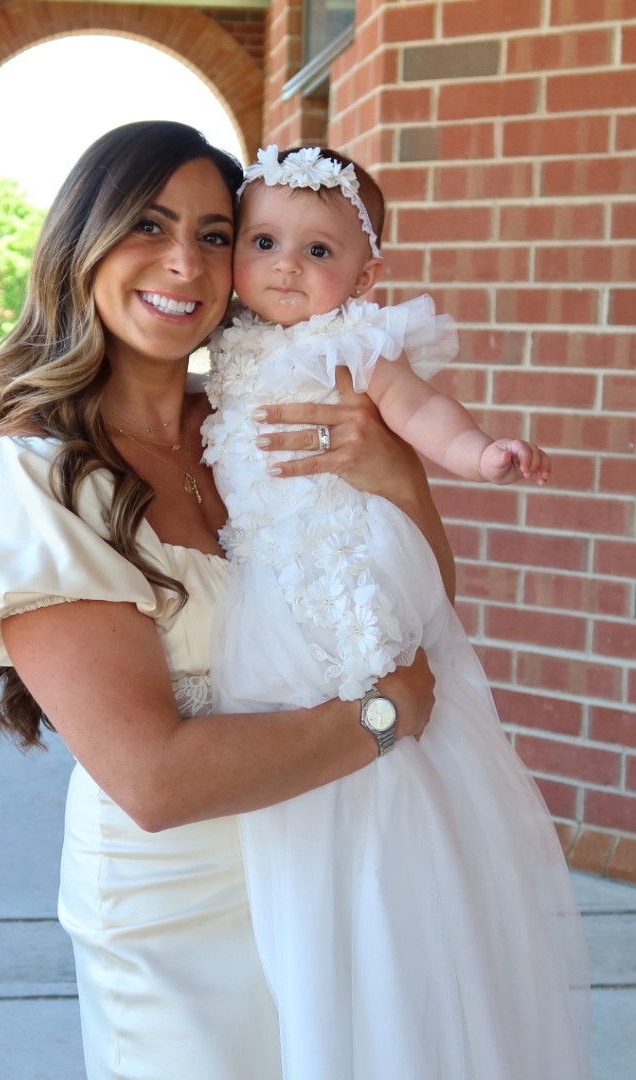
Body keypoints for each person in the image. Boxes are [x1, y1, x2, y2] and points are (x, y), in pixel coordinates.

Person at [0, 121, 450, 1080]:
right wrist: (384, 715)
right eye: (147, 226)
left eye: (216, 234)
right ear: (82, 242)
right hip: (177, 909)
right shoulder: (36, 482)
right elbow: (154, 779)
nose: (186, 262)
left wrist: (403, 480)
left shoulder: (264, 423)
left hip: (335, 857)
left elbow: (418, 617)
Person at [202, 144, 590, 1079]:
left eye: (319, 251)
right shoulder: (220, 346)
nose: (287, 266)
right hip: (268, 582)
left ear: (366, 275)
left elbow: (422, 413)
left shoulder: (356, 345)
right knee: (298, 757)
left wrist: (482, 454)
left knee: (380, 726)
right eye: (263, 241)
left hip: (347, 559)